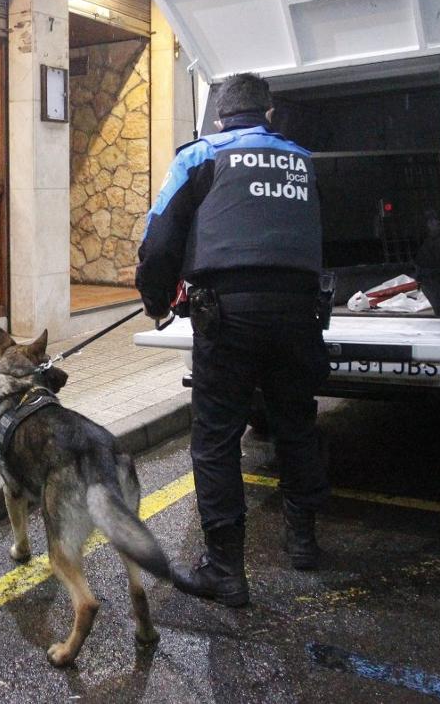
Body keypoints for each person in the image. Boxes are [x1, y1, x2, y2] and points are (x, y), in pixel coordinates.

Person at [136, 72, 329, 607]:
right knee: (297, 425)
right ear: (268, 114)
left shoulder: (201, 155)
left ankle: (225, 571)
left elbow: (159, 240)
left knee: (216, 439)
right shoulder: (301, 160)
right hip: (299, 314)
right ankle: (303, 542)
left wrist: (157, 301)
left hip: (228, 317)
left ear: (220, 116)